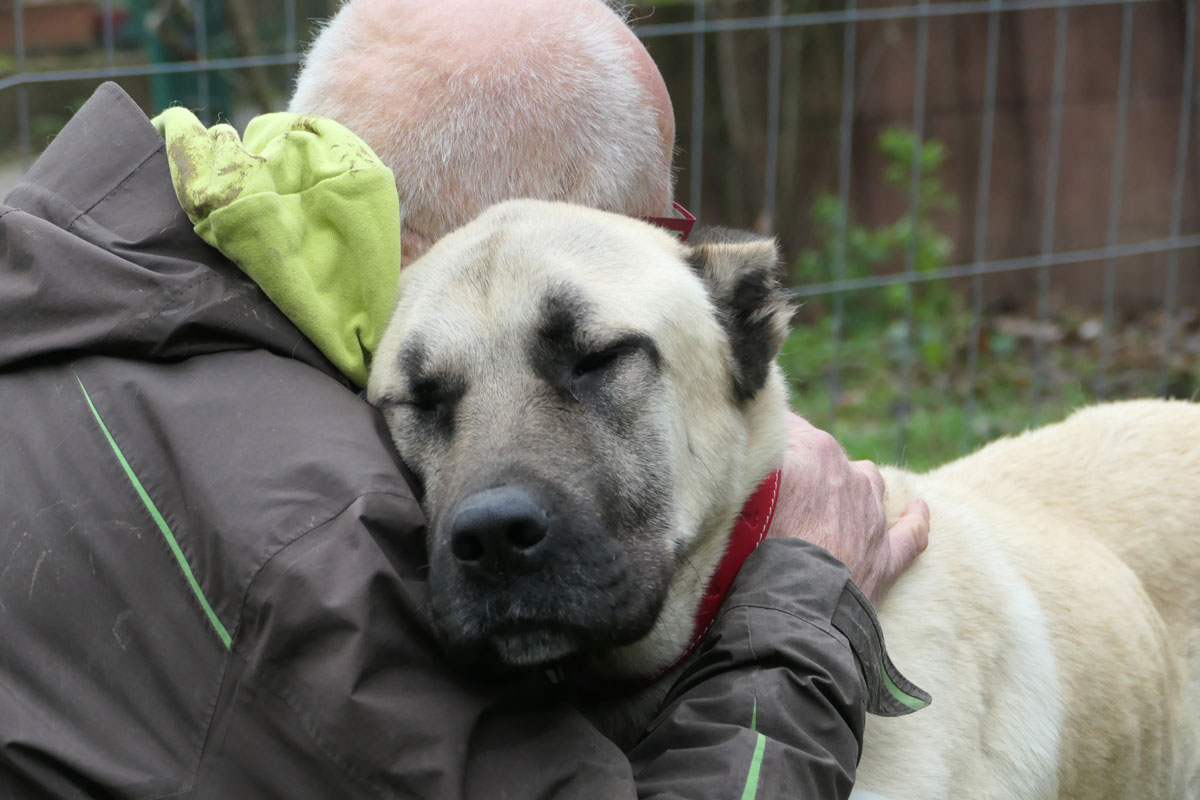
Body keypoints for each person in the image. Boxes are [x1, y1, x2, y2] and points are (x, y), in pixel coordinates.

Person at [0, 2, 928, 799]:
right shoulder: (317, 546)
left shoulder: (91, 286)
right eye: (653, 229)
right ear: (500, 245)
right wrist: (803, 603)